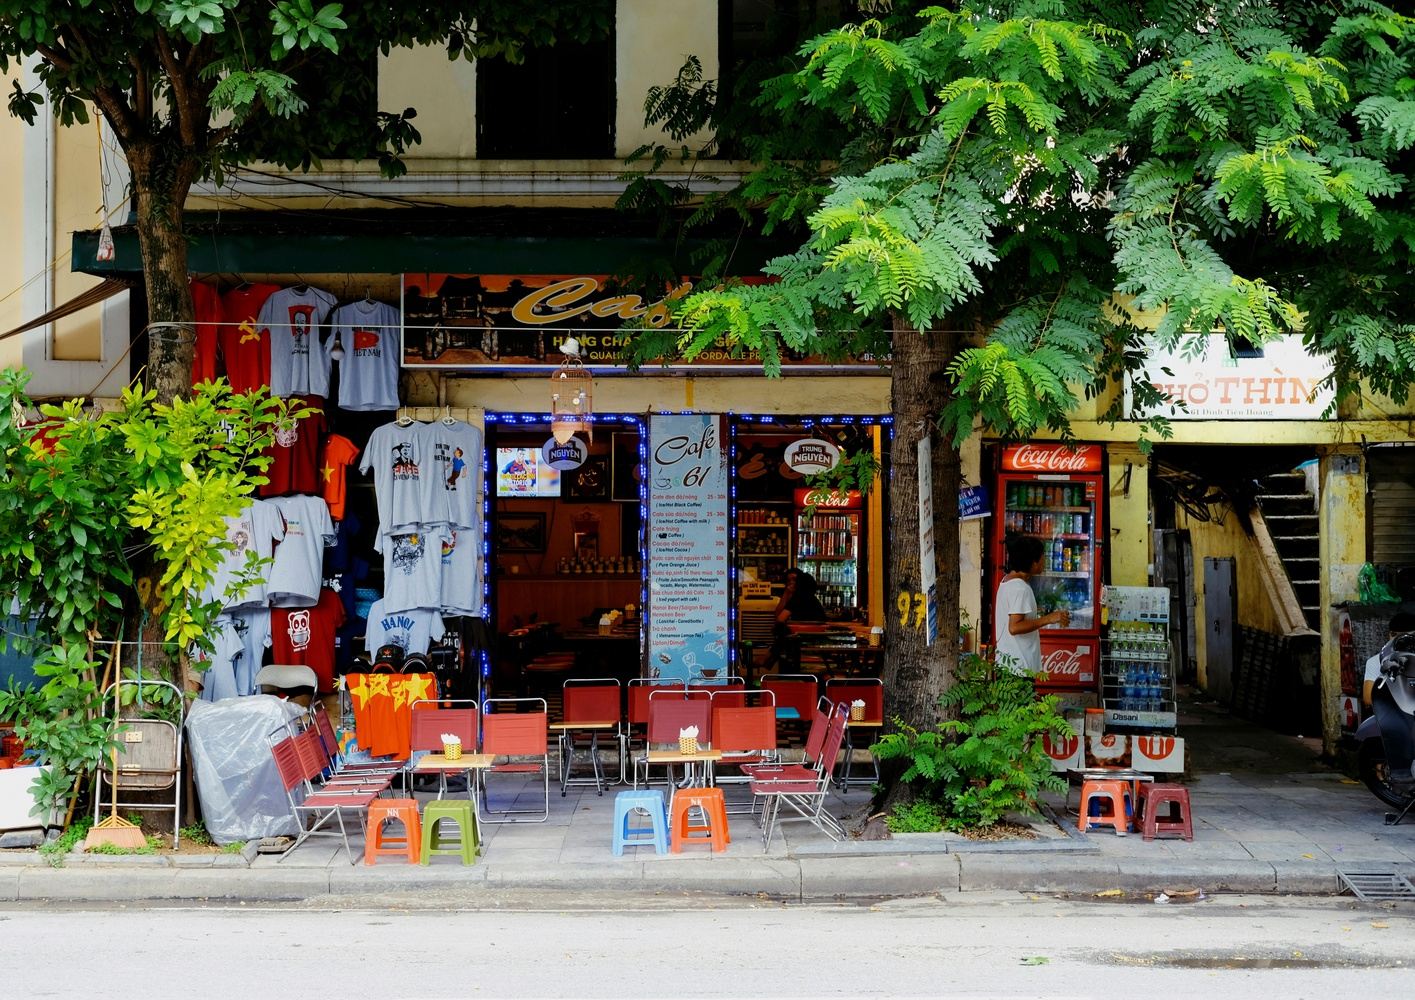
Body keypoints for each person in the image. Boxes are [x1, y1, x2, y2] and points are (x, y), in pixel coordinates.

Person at [994, 535, 1069, 675]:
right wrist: (1049, 618)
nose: (1044, 561)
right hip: (1019, 668)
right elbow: (1014, 627)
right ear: (1033, 562)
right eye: (1042, 557)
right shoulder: (1020, 588)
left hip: (1008, 666)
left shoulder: (1007, 581)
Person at [762, 568, 827, 669]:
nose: (791, 583)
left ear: (800, 582)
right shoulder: (813, 599)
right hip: (817, 639)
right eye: (788, 580)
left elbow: (780, 619)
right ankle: (770, 658)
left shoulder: (798, 598)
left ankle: (769, 658)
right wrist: (786, 594)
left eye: (794, 580)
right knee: (784, 633)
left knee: (783, 631)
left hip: (805, 640)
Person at [1363, 612, 1415, 711]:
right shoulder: (1375, 661)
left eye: (1405, 635)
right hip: (1390, 714)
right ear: (1389, 634)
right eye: (1394, 634)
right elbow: (1368, 698)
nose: (1398, 639)